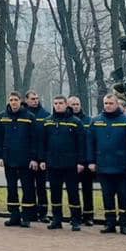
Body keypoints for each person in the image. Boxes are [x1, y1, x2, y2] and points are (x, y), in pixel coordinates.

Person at [86, 92, 126, 236]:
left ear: (117, 104)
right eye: (106, 103)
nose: (108, 106)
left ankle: (124, 225)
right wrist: (90, 161)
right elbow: (90, 143)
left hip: (122, 166)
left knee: (123, 196)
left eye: (111, 103)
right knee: (107, 196)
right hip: (103, 165)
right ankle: (110, 224)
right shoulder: (95, 121)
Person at [38, 96, 85, 231]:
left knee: (73, 193)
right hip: (53, 164)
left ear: (66, 105)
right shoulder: (47, 122)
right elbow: (42, 143)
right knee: (55, 193)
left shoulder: (75, 122)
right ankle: (56, 220)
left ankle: (76, 220)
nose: (58, 106)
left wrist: (81, 162)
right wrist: (42, 160)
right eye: (56, 103)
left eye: (60, 103)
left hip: (71, 164)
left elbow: (81, 144)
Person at [0, 92, 38, 228]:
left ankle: (26, 217)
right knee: (11, 188)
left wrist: (34, 158)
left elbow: (34, 139)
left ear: (21, 101)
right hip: (9, 159)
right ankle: (14, 216)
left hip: (25, 160)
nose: (13, 102)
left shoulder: (30, 117)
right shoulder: (1, 117)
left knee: (27, 188)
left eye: (16, 100)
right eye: (11, 100)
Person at [67, 96, 96, 225]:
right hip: (72, 161)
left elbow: (90, 142)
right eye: (73, 104)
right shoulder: (66, 119)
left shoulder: (89, 120)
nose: (75, 106)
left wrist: (88, 160)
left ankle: (89, 216)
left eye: (77, 104)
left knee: (87, 190)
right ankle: (75, 215)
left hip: (85, 161)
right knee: (72, 190)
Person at [24, 91, 50, 221]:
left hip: (41, 158)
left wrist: (42, 158)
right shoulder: (23, 115)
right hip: (26, 158)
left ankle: (43, 212)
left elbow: (46, 139)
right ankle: (31, 213)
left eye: (37, 98)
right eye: (33, 99)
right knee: (28, 186)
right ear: (26, 100)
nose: (35, 101)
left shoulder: (45, 115)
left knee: (41, 186)